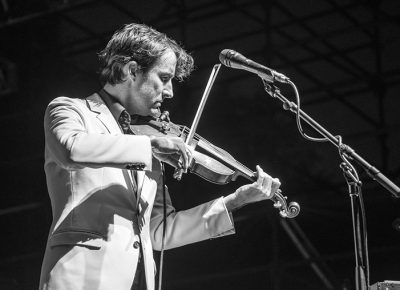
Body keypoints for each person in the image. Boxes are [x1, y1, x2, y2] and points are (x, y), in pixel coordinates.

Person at [39, 23, 281, 290]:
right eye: (164, 78)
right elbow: (71, 149)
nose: (170, 92)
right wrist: (151, 146)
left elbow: (159, 231)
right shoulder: (71, 111)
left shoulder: (142, 139)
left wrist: (235, 201)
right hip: (81, 277)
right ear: (131, 70)